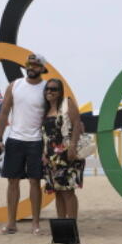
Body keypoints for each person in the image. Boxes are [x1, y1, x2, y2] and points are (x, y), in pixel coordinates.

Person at [0, 53, 48, 234]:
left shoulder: (47, 88)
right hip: (15, 139)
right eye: (29, 64)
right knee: (12, 181)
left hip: (37, 141)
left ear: (42, 68)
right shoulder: (15, 85)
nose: (31, 67)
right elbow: (4, 113)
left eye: (35, 65)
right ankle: (11, 223)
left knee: (34, 182)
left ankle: (35, 224)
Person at [40, 78, 85, 219]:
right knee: (57, 192)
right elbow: (45, 135)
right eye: (47, 89)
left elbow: (77, 124)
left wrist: (72, 147)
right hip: (51, 158)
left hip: (67, 155)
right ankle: (62, 224)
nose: (49, 91)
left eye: (54, 89)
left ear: (60, 92)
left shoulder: (67, 103)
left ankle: (71, 225)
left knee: (68, 192)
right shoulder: (45, 110)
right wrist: (43, 153)